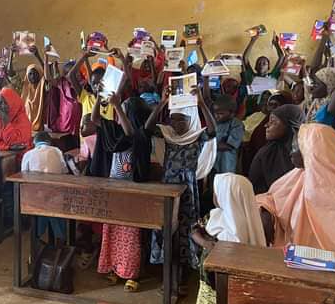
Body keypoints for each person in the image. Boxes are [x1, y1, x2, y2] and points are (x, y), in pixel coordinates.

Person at [257, 123, 335, 259]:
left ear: (313, 152)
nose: (291, 153)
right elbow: (270, 198)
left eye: (296, 147)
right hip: (295, 256)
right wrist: (265, 210)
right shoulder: (297, 177)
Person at [146, 86, 217, 289]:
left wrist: (201, 103)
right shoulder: (168, 136)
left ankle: (182, 276)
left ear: (191, 119)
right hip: (167, 189)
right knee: (166, 229)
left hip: (187, 191)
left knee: (186, 231)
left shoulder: (196, 137)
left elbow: (213, 131)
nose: (176, 124)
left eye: (181, 120)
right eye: (173, 119)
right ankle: (167, 276)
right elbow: (147, 129)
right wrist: (162, 103)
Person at [90, 94, 152, 292]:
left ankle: (132, 273)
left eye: (124, 110)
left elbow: (130, 134)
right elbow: (94, 119)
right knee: (112, 231)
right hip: (114, 188)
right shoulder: (115, 132)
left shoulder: (141, 134)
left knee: (131, 235)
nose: (118, 113)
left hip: (132, 192)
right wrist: (98, 98)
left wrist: (117, 106)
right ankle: (114, 267)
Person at [190, 174, 267, 304]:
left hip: (229, 288)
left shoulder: (248, 225)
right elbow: (194, 230)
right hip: (209, 283)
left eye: (217, 192)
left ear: (227, 196)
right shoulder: (216, 216)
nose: (214, 196)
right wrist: (206, 243)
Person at [21, 131, 69, 244]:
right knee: (53, 205)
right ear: (50, 142)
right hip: (55, 194)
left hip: (35, 196)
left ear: (34, 142)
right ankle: (60, 237)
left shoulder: (28, 154)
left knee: (43, 205)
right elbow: (64, 171)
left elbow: (24, 175)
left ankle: (39, 235)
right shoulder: (57, 151)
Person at [248, 104, 305, 194]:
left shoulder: (306, 153)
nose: (266, 125)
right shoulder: (266, 153)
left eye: (273, 122)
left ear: (289, 125)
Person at [46, 59, 81, 136]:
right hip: (64, 122)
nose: (78, 75)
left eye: (78, 72)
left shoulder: (82, 85)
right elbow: (48, 78)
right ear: (66, 76)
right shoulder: (62, 84)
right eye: (74, 73)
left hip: (77, 124)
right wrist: (46, 59)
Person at [210, 94, 244, 174]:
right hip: (213, 162)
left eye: (220, 113)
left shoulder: (236, 124)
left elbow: (230, 145)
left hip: (227, 162)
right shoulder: (215, 123)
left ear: (232, 113)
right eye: (215, 113)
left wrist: (210, 146)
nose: (216, 116)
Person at [20, 46, 46, 132]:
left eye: (35, 73)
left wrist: (37, 55)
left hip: (40, 129)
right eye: (30, 74)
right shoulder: (25, 89)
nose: (33, 76)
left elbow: (46, 73)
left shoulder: (42, 86)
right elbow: (10, 73)